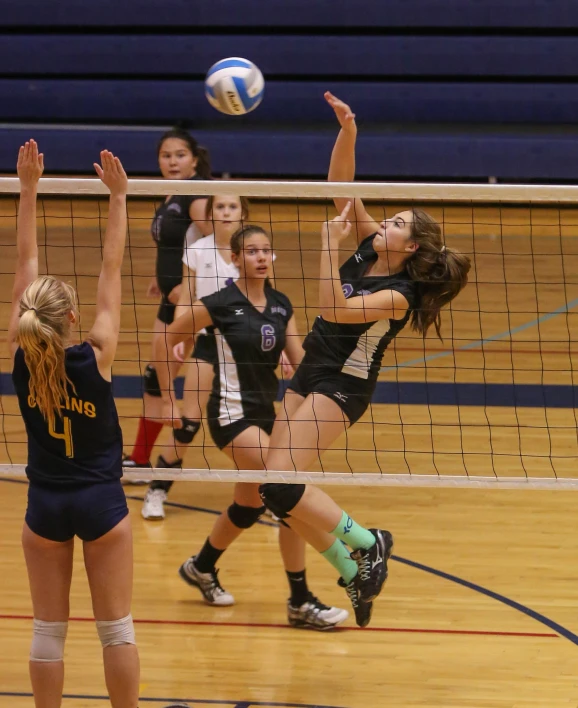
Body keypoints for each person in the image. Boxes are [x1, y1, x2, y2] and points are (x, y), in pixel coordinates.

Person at [256, 92, 472, 620]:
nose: (385, 225)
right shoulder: (374, 242)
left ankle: (369, 540)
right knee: (275, 490)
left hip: (343, 385)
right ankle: (353, 572)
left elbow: (333, 305)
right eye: (390, 218)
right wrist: (349, 132)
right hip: (311, 369)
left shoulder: (398, 294)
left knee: (280, 481)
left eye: (397, 223)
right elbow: (342, 192)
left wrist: (329, 247)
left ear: (412, 246)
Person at [155, 224, 351, 630]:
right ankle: (300, 600)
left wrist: (326, 393)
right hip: (231, 416)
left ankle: (201, 567)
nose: (261, 257)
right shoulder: (220, 302)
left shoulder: (280, 305)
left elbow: (299, 362)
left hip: (268, 415)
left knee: (249, 503)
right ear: (235, 259)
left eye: (266, 250)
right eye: (252, 251)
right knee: (287, 492)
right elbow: (169, 336)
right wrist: (166, 395)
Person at [8, 142, 139, 707]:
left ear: (26, 318)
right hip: (102, 504)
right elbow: (113, 264)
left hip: (45, 506)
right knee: (116, 630)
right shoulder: (98, 354)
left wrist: (28, 189)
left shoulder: (20, 358)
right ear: (70, 319)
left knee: (47, 631)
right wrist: (119, 197)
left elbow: (24, 264)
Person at [140, 193, 249, 519]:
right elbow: (186, 296)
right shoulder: (198, 250)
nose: (226, 212)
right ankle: (157, 490)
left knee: (255, 424)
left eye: (233, 206)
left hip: (244, 349)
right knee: (188, 423)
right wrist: (178, 334)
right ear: (210, 212)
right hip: (206, 344)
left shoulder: (252, 245)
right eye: (220, 206)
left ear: (243, 213)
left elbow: (265, 296)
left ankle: (266, 494)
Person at [122, 128, 213, 473]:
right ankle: (142, 459)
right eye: (166, 155)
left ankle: (167, 459)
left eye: (179, 155)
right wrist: (161, 279)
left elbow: (219, 246)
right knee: (154, 378)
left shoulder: (198, 196)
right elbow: (176, 245)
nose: (172, 161)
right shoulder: (173, 194)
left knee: (172, 385)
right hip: (172, 299)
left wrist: (192, 290)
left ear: (193, 159)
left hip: (190, 306)